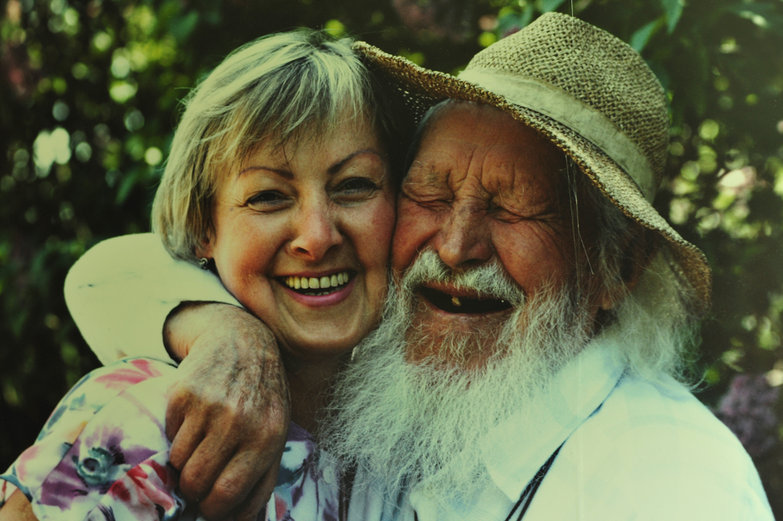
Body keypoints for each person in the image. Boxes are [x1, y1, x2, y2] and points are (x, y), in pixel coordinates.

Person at [19, 12, 778, 520]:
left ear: (615, 267)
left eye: (513, 207)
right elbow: (107, 272)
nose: (454, 246)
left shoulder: (666, 482)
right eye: (432, 191)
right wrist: (221, 331)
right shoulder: (379, 400)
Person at [0, 28, 403, 521]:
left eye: (354, 185)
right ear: (202, 228)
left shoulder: (411, 446)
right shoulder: (146, 423)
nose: (317, 237)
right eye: (268, 196)